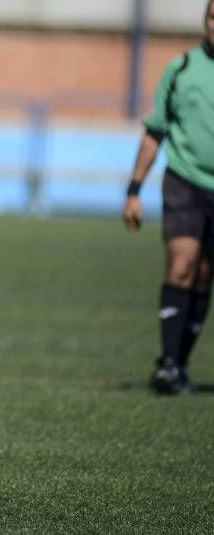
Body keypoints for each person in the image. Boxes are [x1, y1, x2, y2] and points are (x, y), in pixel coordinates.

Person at [122, 0, 214, 394]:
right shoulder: (181, 69)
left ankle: (180, 364)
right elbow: (154, 132)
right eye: (213, 17)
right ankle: (167, 365)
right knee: (182, 266)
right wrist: (133, 191)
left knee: (204, 276)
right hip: (184, 182)